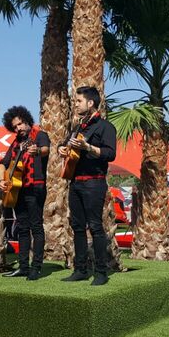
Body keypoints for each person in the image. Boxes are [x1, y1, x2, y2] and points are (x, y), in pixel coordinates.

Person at [57, 86, 117, 286]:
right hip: (75, 184)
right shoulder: (78, 127)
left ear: (90, 103)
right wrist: (62, 149)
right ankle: (80, 270)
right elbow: (64, 144)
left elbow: (110, 154)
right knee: (77, 227)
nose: (75, 104)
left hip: (94, 182)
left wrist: (89, 147)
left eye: (78, 101)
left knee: (95, 227)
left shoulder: (105, 127)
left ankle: (101, 272)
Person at [0, 106, 50, 281]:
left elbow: (45, 150)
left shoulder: (39, 135)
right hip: (17, 189)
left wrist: (37, 150)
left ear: (27, 120)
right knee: (22, 228)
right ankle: (23, 267)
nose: (18, 128)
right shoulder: (15, 142)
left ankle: (36, 267)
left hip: (35, 188)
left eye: (20, 124)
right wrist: (1, 179)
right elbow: (2, 163)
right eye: (15, 126)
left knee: (36, 227)